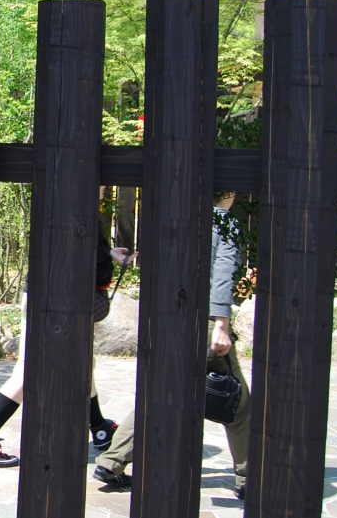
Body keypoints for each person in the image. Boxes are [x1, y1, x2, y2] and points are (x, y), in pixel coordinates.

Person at [91, 192, 251, 500]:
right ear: (230, 193)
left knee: (159, 394)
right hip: (205, 322)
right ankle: (248, 476)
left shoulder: (176, 216)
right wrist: (221, 323)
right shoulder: (223, 222)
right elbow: (222, 272)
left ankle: (111, 462)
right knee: (239, 404)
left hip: (169, 320)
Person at [0, 234, 135, 468]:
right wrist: (105, 259)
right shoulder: (77, 211)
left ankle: (99, 427)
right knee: (26, 372)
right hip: (53, 298)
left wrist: (107, 254)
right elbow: (78, 251)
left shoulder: (78, 213)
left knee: (84, 364)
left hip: (53, 295)